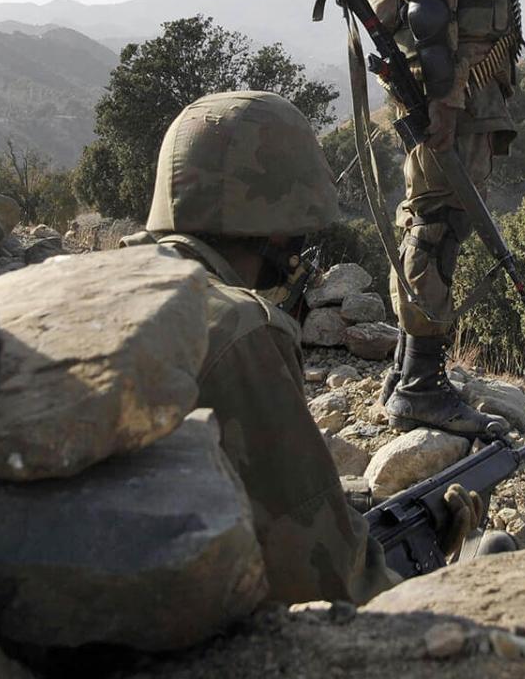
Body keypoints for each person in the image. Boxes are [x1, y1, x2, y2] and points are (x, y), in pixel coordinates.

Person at [125, 90, 487, 605]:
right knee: (489, 557)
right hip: (150, 653)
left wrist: (363, 503)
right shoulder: (237, 329)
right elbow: (329, 582)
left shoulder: (83, 283)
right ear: (278, 231)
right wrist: (431, 561)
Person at [382, 0, 525, 438]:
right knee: (436, 223)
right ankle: (419, 385)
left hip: (465, 86)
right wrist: (442, 99)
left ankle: (413, 367)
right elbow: (429, 5)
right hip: (452, 89)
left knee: (437, 218)